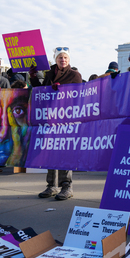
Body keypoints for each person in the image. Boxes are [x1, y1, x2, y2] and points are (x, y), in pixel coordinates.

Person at [30, 47, 82, 200]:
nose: (63, 60)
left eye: (65, 57)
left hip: (66, 120)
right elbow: (40, 91)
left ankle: (67, 186)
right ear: (55, 59)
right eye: (60, 57)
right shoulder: (49, 74)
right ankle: (51, 186)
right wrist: (33, 76)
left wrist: (62, 91)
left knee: (65, 153)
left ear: (69, 60)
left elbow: (78, 96)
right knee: (50, 153)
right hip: (49, 119)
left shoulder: (75, 75)